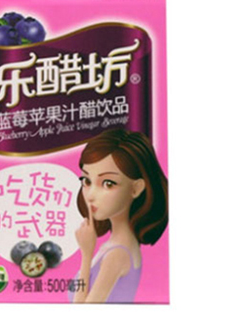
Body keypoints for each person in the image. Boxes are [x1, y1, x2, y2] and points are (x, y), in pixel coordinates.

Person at [70, 129, 168, 303]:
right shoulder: (117, 245)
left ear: (136, 188)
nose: (90, 195)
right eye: (87, 181)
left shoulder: (117, 254)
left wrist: (86, 254)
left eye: (108, 184)